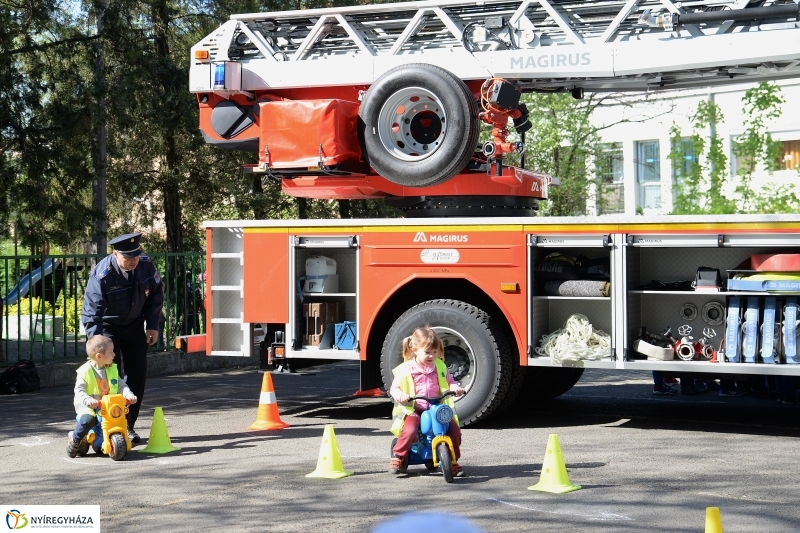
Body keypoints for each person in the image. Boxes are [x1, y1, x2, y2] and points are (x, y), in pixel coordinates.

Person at [81, 233, 164, 444]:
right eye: (128, 257)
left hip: (134, 325)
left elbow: (155, 295)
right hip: (108, 329)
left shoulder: (145, 265)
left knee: (138, 372)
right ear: (115, 254)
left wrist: (152, 325)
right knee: (111, 377)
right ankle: (107, 425)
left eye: (136, 255)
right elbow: (92, 312)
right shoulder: (102, 274)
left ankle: (127, 425)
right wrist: (98, 343)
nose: (134, 260)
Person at [388, 326, 466, 477]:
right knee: (410, 429)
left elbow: (450, 381)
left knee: (454, 431)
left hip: (436, 407)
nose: (432, 356)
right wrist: (401, 396)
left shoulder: (440, 366)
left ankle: (453, 461)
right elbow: (394, 388)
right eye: (427, 352)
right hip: (414, 408)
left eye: (435, 352)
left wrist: (456, 388)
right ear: (415, 350)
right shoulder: (406, 369)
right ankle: (398, 455)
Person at [67, 335, 137, 457]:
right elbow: (79, 390)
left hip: (107, 405)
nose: (114, 354)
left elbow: (121, 385)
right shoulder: (85, 371)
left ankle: (110, 439)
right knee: (88, 420)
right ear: (99, 356)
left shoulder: (111, 369)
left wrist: (128, 395)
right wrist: (88, 400)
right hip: (88, 406)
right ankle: (75, 440)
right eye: (111, 352)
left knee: (124, 415)